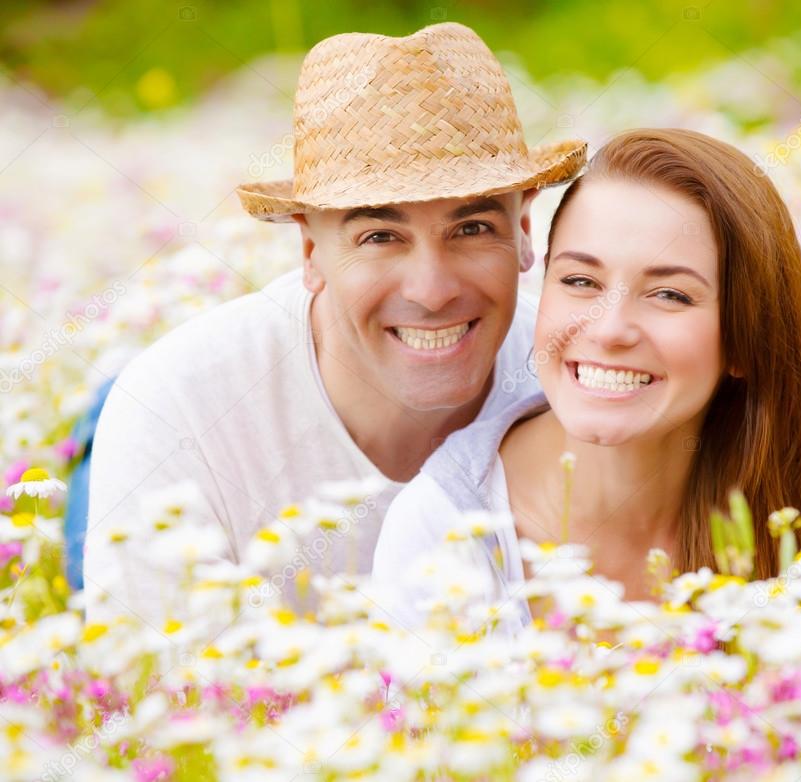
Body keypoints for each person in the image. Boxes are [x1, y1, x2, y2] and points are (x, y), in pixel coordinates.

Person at [83, 22, 586, 624]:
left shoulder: (577, 392)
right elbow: (140, 692)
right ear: (310, 252)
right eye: (379, 236)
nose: (431, 292)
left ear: (524, 232)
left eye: (472, 228)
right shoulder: (174, 407)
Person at [374, 128, 801, 647]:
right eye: (581, 282)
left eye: (670, 294)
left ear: (746, 338)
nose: (609, 330)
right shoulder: (444, 532)